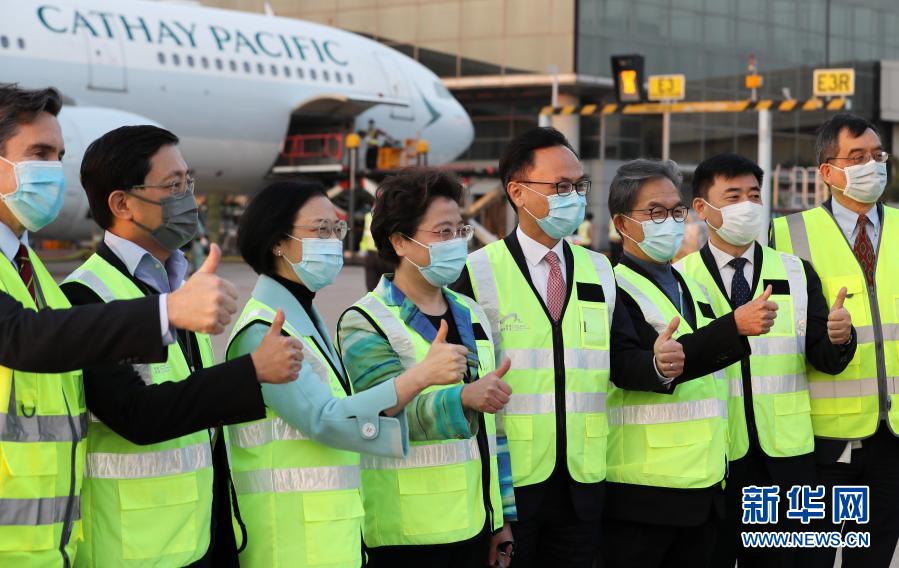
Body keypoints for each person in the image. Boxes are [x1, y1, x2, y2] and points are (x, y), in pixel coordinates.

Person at [0, 84, 237, 567]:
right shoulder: (77, 290)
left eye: (58, 156)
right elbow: (19, 336)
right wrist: (168, 314)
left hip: (46, 547)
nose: (54, 170)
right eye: (39, 154)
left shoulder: (33, 273)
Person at [59, 126, 303, 567]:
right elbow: (135, 413)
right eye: (173, 186)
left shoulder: (181, 285)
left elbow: (201, 429)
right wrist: (250, 372)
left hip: (195, 539)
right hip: (128, 550)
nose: (189, 198)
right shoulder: (85, 297)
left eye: (188, 183)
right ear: (122, 204)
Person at [454, 127, 686, 567]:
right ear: (518, 192)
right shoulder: (477, 272)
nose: (574, 197)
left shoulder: (599, 269)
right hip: (512, 484)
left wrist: (656, 364)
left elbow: (620, 360)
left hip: (583, 483)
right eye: (561, 187)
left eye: (579, 186)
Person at [225, 180, 476, 567]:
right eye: (320, 230)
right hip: (288, 542)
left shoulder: (302, 318)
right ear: (277, 242)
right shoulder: (263, 331)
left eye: (336, 228)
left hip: (327, 536)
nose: (333, 242)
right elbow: (323, 420)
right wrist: (420, 377)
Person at [678, 152, 857, 568]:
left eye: (754, 195)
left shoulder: (795, 272)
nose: (748, 205)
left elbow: (823, 357)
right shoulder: (683, 278)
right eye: (733, 196)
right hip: (717, 456)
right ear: (702, 208)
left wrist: (840, 339)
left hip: (786, 457)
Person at [338, 168, 515, 568]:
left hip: (474, 522)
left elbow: (494, 430)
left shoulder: (472, 313)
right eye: (442, 232)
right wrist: (463, 398)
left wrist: (500, 518)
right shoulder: (365, 321)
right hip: (408, 532)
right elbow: (376, 417)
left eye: (460, 231)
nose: (456, 242)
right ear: (400, 240)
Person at [603, 159, 757, 568]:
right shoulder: (612, 287)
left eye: (676, 211)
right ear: (621, 223)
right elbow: (624, 365)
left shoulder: (691, 284)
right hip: (644, 494)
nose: (670, 222)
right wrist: (732, 328)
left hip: (706, 486)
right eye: (655, 212)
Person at [771, 113, 899, 567]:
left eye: (878, 155)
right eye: (857, 157)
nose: (873, 166)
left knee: (876, 556)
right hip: (822, 439)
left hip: (893, 437)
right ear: (827, 171)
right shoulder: (786, 235)